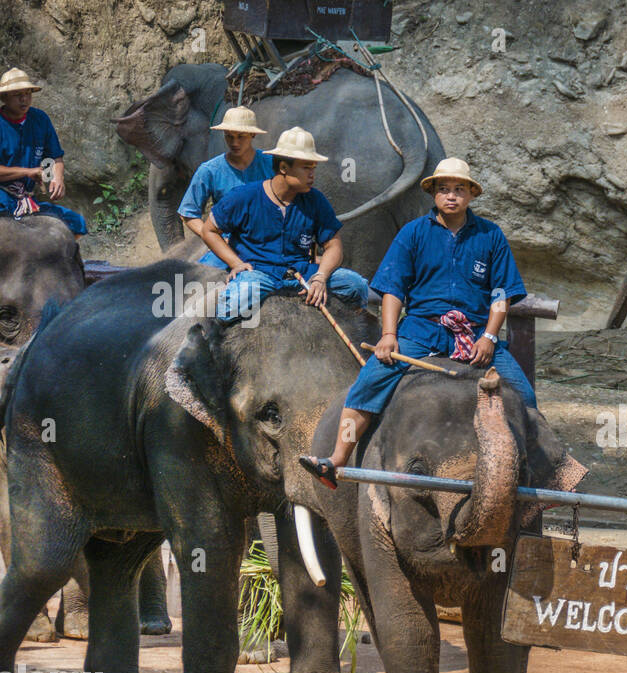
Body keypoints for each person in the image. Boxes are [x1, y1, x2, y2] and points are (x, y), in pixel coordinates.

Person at [299, 157, 531, 488]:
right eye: (444, 190)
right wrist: (389, 335)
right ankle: (336, 460)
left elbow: (500, 295)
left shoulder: (491, 235)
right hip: (421, 329)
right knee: (371, 379)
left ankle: (536, 475)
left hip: (475, 331)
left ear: (471, 195)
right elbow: (393, 289)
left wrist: (490, 338)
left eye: (459, 190)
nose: (451, 196)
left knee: (523, 394)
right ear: (434, 194)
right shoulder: (413, 234)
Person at [200, 126, 369, 322]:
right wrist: (236, 264)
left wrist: (321, 276)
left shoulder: (315, 200)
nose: (312, 174)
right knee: (237, 301)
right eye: (306, 167)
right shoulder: (244, 196)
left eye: (313, 167)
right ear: (283, 168)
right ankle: (210, 340)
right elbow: (209, 230)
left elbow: (334, 245)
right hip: (259, 273)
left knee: (357, 285)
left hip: (302, 273)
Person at [177, 105, 274, 267]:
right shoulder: (210, 170)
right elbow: (188, 213)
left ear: (253, 134)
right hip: (229, 244)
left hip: (267, 242)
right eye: (229, 136)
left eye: (240, 136)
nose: (234, 142)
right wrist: (215, 239)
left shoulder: (271, 165)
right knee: (202, 276)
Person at [0, 68, 86, 235]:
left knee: (76, 223)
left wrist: (57, 177)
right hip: (2, 198)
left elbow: (56, 156)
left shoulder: (40, 119)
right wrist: (27, 172)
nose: (24, 99)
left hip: (27, 200)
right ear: (4, 98)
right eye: (17, 94)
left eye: (27, 93)